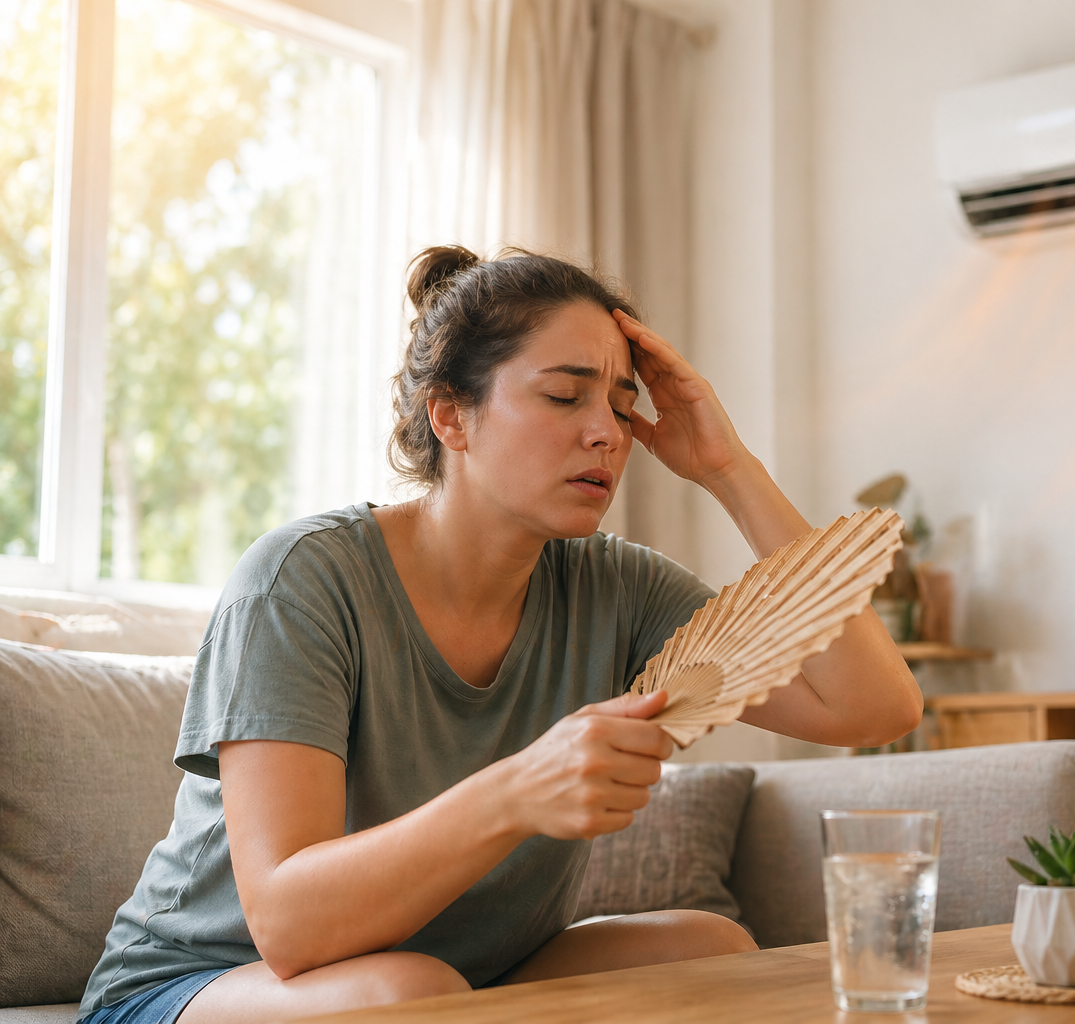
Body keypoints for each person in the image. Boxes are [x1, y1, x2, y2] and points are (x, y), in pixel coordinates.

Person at [76, 246, 923, 1024]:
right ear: (451, 415)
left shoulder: (615, 586)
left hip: (458, 980)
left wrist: (729, 469)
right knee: (410, 993)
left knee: (708, 950)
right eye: (564, 395)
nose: (606, 432)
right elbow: (289, 927)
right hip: (205, 983)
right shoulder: (302, 579)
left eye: (623, 406)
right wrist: (519, 788)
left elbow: (872, 709)